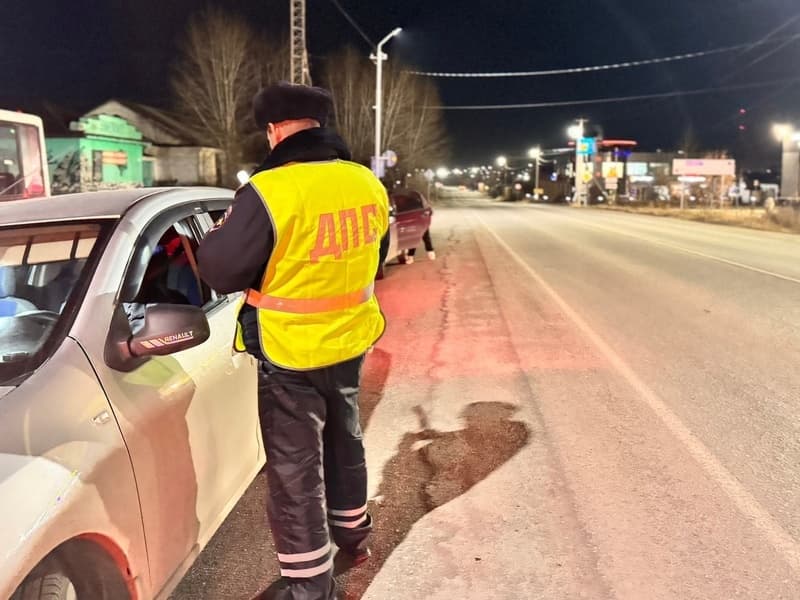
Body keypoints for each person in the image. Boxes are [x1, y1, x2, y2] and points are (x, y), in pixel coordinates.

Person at [197, 82, 389, 600]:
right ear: (320, 124)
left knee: (294, 468)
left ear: (274, 129)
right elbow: (378, 251)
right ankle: (353, 531)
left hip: (290, 350)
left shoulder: (269, 191)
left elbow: (220, 270)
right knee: (344, 439)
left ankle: (308, 585)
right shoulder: (366, 182)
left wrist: (218, 236)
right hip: (349, 341)